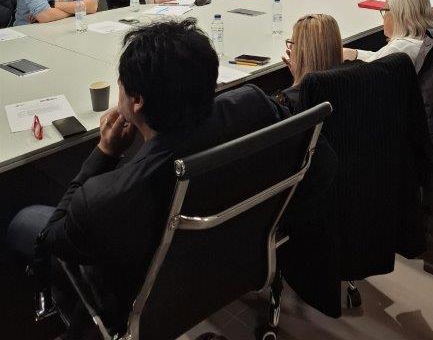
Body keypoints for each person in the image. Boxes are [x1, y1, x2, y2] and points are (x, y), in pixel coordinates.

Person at [7, 19, 337, 336]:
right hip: (237, 265)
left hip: (153, 302)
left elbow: (51, 238)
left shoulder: (106, 198)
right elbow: (323, 163)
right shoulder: (253, 102)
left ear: (136, 101)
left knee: (25, 221)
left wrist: (105, 153)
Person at [343, 0, 433, 65]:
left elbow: (367, 69)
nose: (383, 17)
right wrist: (355, 54)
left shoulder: (399, 48)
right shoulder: (418, 41)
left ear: (398, 15)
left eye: (385, 11)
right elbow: (378, 57)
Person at [278, 14, 343, 112]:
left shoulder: (287, 101)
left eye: (292, 43)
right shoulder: (346, 86)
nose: (290, 47)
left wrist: (297, 81)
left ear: (303, 51)